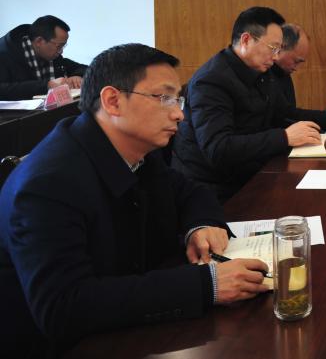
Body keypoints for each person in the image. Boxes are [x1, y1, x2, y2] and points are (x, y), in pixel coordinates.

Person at [0, 44, 269, 356]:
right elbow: (64, 307)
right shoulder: (48, 184)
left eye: (177, 99)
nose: (179, 113)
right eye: (164, 98)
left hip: (128, 325)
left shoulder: (134, 149)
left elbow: (189, 191)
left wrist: (201, 224)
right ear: (113, 101)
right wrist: (206, 285)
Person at [173, 7, 326, 201]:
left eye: (279, 49)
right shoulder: (211, 81)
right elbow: (218, 149)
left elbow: (284, 112)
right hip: (213, 189)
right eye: (273, 48)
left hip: (251, 174)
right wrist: (284, 137)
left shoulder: (261, 72)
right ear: (246, 40)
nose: (276, 56)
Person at [0, 15, 88, 99]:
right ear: (39, 41)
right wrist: (46, 86)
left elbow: (86, 69)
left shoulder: (53, 57)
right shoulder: (5, 54)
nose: (61, 51)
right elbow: (3, 90)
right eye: (59, 46)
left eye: (63, 46)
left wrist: (77, 75)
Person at [271, 23, 309, 107]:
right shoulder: (263, 73)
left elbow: (290, 111)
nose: (296, 68)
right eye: (296, 61)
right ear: (281, 47)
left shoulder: (283, 71)